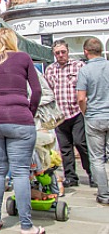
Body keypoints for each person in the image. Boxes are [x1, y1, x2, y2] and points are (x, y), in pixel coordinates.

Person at [0, 27, 43, 234]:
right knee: (21, 172)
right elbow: (37, 90)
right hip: (19, 118)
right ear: (14, 40)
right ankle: (26, 225)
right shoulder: (23, 58)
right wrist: (29, 111)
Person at [44, 39, 93, 188]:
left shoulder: (79, 66)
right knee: (65, 148)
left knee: (80, 143)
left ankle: (92, 173)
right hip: (60, 115)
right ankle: (71, 176)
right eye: (57, 53)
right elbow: (49, 91)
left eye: (63, 52)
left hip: (76, 112)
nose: (60, 55)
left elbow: (87, 87)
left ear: (68, 52)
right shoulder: (50, 70)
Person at [76, 38, 109, 205]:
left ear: (86, 52)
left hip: (94, 116)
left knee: (97, 158)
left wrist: (85, 112)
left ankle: (104, 194)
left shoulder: (85, 70)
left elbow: (81, 98)